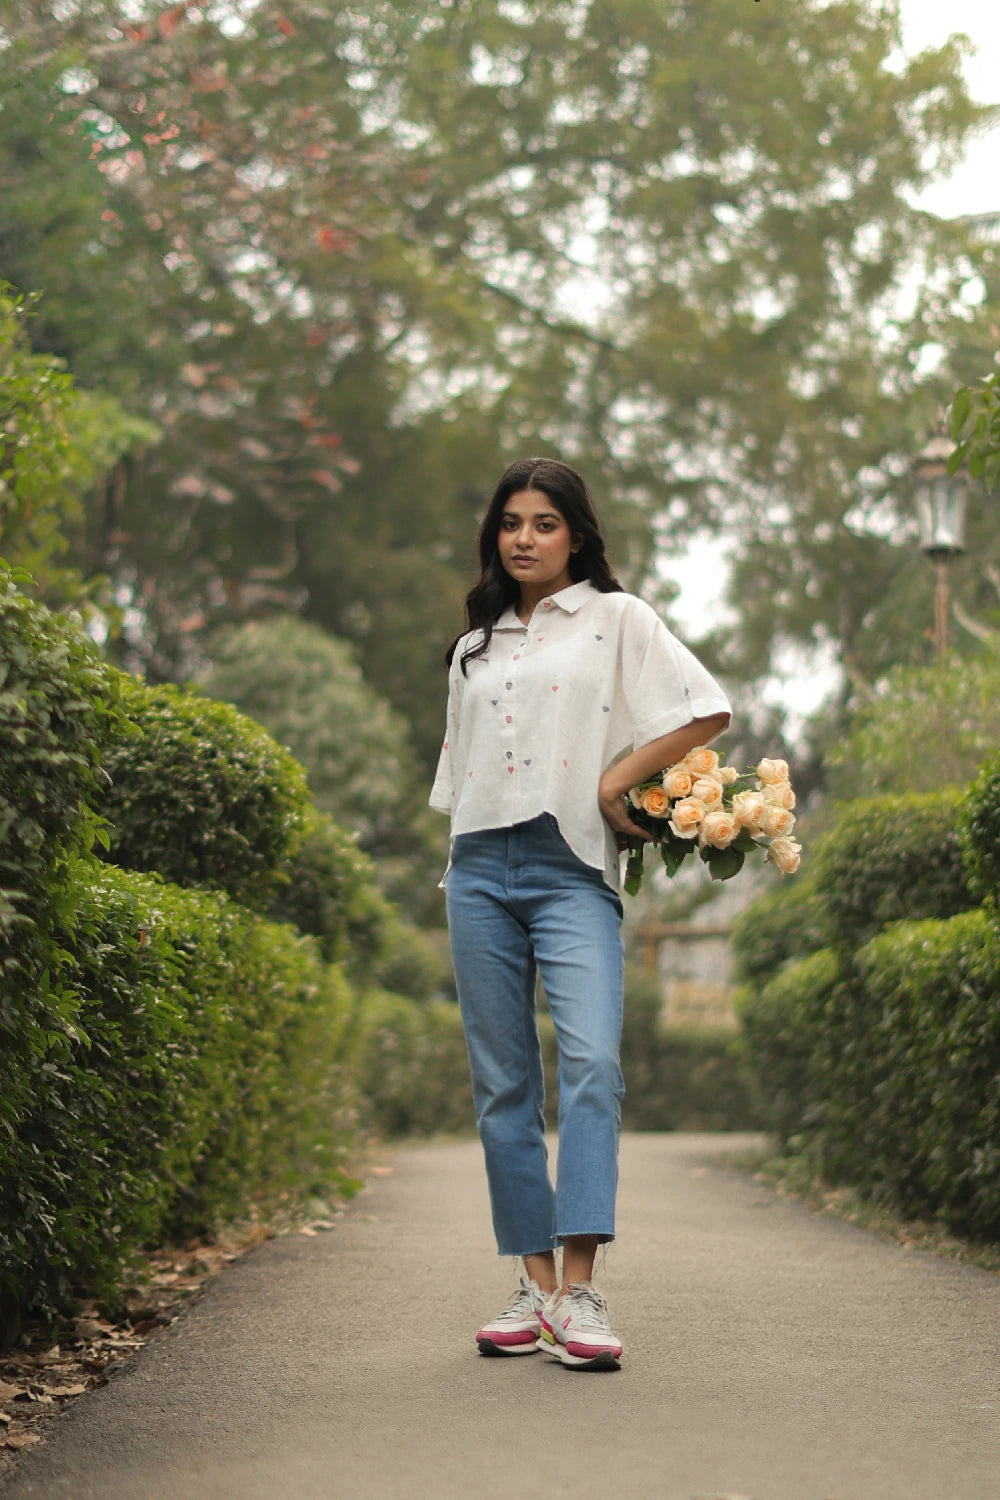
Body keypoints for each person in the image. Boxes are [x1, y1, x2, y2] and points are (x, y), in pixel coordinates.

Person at [429, 457, 731, 1371]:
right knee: (504, 1084)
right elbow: (459, 779)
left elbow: (705, 709)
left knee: (592, 1063)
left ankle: (580, 1288)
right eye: (511, 523)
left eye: (544, 523)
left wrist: (614, 781)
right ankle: (532, 1289)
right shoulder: (474, 645)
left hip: (570, 868)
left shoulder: (618, 619)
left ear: (576, 534)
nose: (524, 538)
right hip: (479, 867)